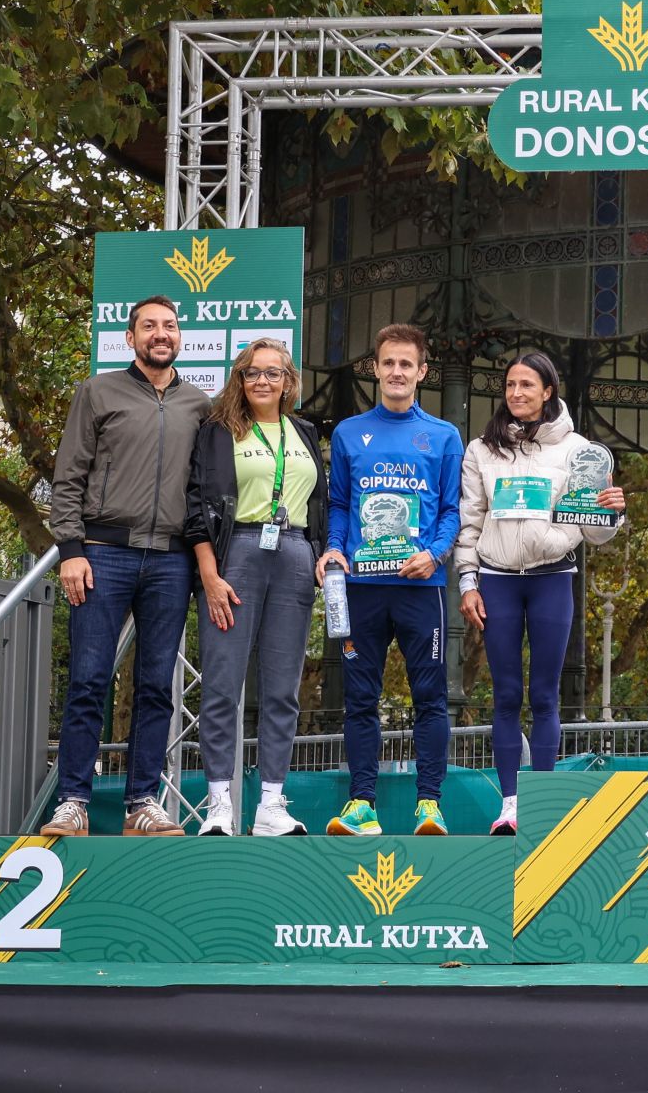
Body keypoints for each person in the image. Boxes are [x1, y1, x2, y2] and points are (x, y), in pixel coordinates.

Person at [44, 294, 210, 837]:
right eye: (149, 326)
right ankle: (73, 801)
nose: (160, 334)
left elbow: (205, 489)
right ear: (130, 338)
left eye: (169, 326)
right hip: (102, 553)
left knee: (156, 685)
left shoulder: (198, 405)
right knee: (89, 679)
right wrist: (70, 549)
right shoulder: (98, 392)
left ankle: (143, 801)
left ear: (179, 336)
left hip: (171, 561)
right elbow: (68, 477)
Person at [456, 352, 624, 834]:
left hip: (554, 578)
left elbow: (594, 532)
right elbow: (470, 520)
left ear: (548, 391)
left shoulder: (578, 449)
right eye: (510, 385)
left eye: (527, 385)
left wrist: (611, 510)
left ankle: (543, 804)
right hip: (499, 581)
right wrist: (468, 580)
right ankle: (509, 806)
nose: (516, 394)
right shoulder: (481, 450)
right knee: (507, 696)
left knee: (546, 696)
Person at [318, 324, 464, 837]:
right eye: (388, 363)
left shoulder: (444, 436)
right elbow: (338, 505)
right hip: (361, 589)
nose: (397, 372)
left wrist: (435, 553)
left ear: (423, 371)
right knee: (360, 699)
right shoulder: (348, 433)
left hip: (421, 587)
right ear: (374, 369)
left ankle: (430, 804)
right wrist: (335, 548)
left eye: (407, 364)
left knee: (431, 698)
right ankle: (362, 805)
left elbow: (451, 511)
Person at [185, 338, 326, 837]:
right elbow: (198, 503)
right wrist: (209, 572)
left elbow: (320, 505)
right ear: (239, 381)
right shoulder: (218, 432)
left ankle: (271, 803)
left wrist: (321, 552)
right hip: (237, 555)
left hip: (293, 556)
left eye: (272, 372)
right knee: (222, 683)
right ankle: (219, 803)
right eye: (251, 373)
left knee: (283, 687)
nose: (261, 381)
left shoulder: (305, 432)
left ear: (289, 381)